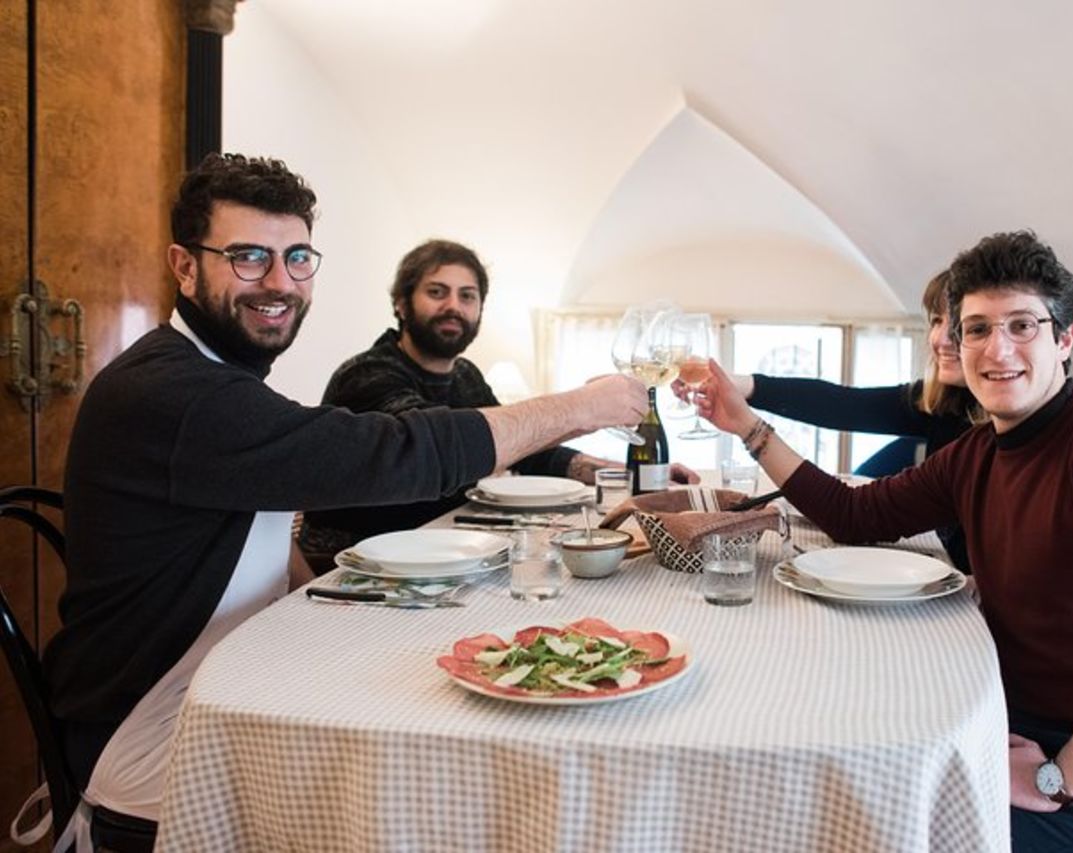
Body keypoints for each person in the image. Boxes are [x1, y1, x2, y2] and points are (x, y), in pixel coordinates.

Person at [39, 154, 647, 847]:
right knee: (446, 769)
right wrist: (584, 404)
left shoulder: (217, 380)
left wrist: (323, 595)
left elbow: (254, 529)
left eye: (297, 257)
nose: (279, 282)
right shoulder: (173, 394)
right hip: (146, 730)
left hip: (221, 671)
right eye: (248, 257)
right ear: (184, 266)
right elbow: (392, 451)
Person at [694, 230, 1073, 851]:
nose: (997, 349)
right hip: (1016, 717)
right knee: (840, 768)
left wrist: (1058, 777)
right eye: (977, 328)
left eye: (1022, 325)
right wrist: (748, 427)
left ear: (1066, 337)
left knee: (900, 833)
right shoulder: (977, 452)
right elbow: (856, 516)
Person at [300, 239, 697, 562]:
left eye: (467, 296)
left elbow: (529, 451)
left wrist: (615, 472)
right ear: (402, 304)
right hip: (355, 562)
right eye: (437, 292)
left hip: (442, 551)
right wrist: (581, 405)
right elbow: (438, 448)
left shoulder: (465, 374)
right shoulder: (368, 375)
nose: (453, 305)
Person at [675, 270, 978, 569]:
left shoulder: (983, 443)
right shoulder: (945, 403)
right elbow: (843, 404)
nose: (940, 339)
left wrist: (749, 427)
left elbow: (850, 515)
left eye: (965, 326)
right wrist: (743, 385)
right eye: (937, 320)